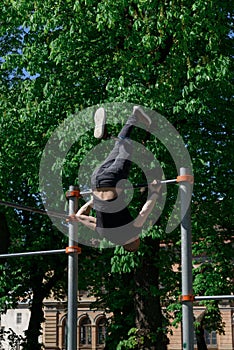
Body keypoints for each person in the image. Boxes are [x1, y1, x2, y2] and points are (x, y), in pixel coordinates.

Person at [70, 106, 162, 252]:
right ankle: (107, 135)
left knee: (128, 145)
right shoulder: (105, 234)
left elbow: (144, 212)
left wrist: (155, 192)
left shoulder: (132, 231)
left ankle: (134, 115)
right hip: (95, 180)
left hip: (113, 179)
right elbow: (79, 216)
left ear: (136, 239)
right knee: (120, 145)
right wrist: (94, 201)